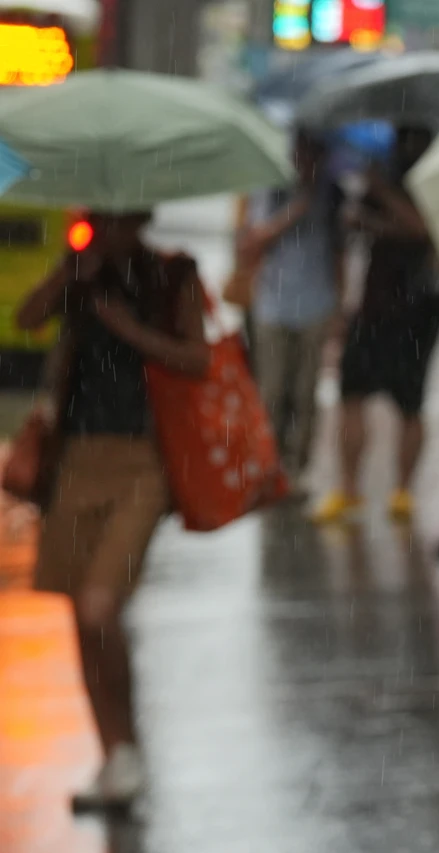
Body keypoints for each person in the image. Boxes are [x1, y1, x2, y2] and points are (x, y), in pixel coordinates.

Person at [16, 211, 211, 810]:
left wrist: (128, 329)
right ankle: (114, 755)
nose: (111, 227)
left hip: (145, 458)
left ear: (142, 217)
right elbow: (26, 319)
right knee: (79, 611)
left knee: (102, 606)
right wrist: (67, 275)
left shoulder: (172, 275)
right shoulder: (81, 272)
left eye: (121, 219)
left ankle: (128, 748)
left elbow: (197, 360)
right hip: (76, 456)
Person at [313, 126, 439, 524]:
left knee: (410, 403)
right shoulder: (376, 176)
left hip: (417, 308)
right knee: (351, 394)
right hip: (372, 306)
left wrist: (383, 195)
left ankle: (403, 490)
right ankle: (348, 488)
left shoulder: (437, 181)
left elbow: (423, 230)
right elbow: (358, 227)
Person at [241, 131, 346, 490]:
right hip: (273, 303)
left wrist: (339, 308)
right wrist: (295, 210)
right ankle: (267, 465)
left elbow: (339, 252)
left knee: (305, 392)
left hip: (316, 302)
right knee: (271, 390)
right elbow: (253, 242)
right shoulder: (271, 187)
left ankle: (296, 467)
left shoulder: (332, 193)